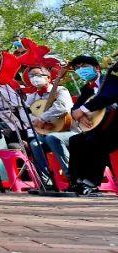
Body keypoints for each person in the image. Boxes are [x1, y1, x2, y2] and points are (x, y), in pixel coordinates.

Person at [67, 59, 118, 195]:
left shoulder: (111, 80)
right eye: (77, 67)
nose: (81, 69)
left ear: (96, 68)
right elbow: (75, 108)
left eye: (84, 66)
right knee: (75, 141)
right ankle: (76, 181)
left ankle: (92, 182)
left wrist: (84, 109)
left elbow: (107, 97)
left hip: (115, 126)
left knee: (96, 141)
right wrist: (80, 115)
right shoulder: (86, 89)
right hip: (102, 127)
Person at [23, 64, 74, 183]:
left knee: (53, 138)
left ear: (49, 78)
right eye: (31, 76)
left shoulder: (61, 90)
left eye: (37, 75)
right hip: (46, 133)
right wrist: (36, 121)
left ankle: (72, 177)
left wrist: (42, 118)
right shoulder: (32, 97)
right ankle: (47, 182)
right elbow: (24, 113)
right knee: (35, 144)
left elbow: (62, 107)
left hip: (68, 131)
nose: (34, 78)